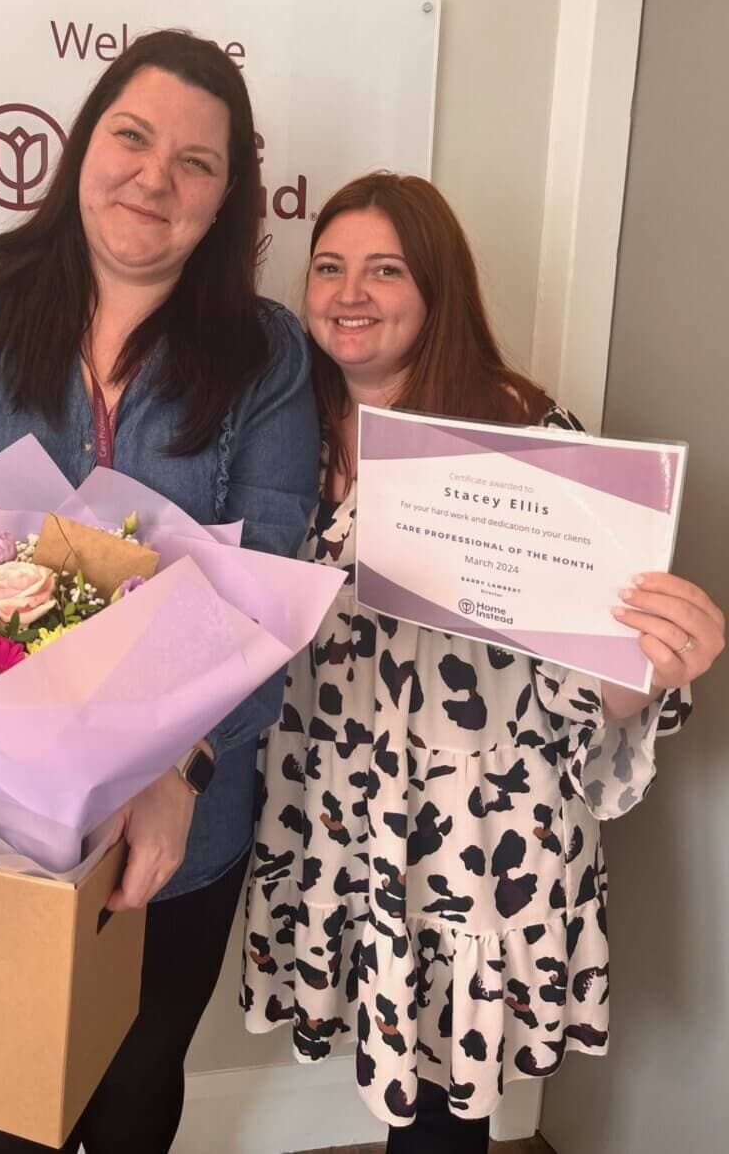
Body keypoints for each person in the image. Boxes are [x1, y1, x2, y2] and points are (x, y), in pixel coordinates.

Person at [0, 30, 320, 1153]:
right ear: (83, 143)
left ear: (228, 197)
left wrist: (178, 770)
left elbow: (266, 589)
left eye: (197, 162)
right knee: (4, 1097)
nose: (157, 176)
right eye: (132, 136)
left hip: (180, 827)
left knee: (140, 1085)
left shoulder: (265, 355)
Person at [241, 172, 725, 1153]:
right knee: (390, 1071)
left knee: (442, 1103)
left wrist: (657, 663)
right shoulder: (282, 434)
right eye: (328, 267)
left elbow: (597, 685)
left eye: (385, 269)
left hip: (479, 834)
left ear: (437, 289)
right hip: (342, 818)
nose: (349, 292)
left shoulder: (525, 439)